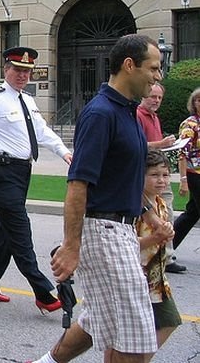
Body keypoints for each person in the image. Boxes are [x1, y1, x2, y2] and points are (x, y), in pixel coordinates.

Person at [38, 34, 162, 363]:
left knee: (98, 321)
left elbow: (124, 175)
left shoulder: (128, 112)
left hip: (120, 229)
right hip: (104, 231)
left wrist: (149, 216)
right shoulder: (101, 114)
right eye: (154, 68)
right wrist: (71, 245)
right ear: (129, 65)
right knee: (137, 340)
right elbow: (78, 184)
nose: (158, 76)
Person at [0, 47, 70, 312]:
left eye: (27, 71)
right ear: (5, 70)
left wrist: (64, 151)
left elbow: (41, 131)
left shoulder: (28, 100)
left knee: (6, 228)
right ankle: (42, 290)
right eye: (18, 70)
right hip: (0, 170)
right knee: (20, 227)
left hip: (21, 171)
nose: (23, 75)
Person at [135, 150, 181, 361]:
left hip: (157, 280)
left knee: (169, 321)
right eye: (154, 175)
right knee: (127, 335)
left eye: (165, 174)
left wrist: (166, 235)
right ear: (140, 176)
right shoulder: (134, 208)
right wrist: (155, 239)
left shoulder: (161, 205)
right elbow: (125, 246)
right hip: (137, 278)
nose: (161, 180)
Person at [136, 83, 185, 274]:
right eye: (152, 96)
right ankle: (155, 254)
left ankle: (165, 254)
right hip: (146, 175)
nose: (156, 101)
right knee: (149, 216)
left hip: (159, 170)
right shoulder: (138, 115)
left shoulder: (154, 117)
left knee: (166, 212)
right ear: (143, 95)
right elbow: (136, 145)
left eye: (159, 98)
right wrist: (160, 143)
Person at [171, 87, 200, 256]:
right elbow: (182, 153)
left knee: (192, 213)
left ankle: (165, 247)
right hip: (194, 174)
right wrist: (183, 180)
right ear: (194, 103)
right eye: (199, 100)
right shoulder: (190, 124)